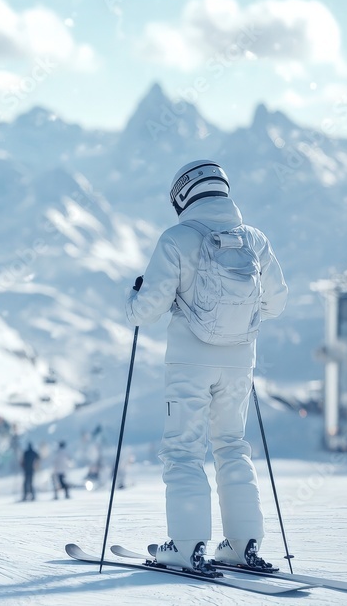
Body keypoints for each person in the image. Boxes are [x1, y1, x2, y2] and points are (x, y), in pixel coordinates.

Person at [126, 160, 288, 572]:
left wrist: (133, 299)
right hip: (240, 363)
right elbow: (277, 302)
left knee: (183, 449)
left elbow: (146, 311)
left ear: (182, 196)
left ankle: (185, 546)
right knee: (232, 446)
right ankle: (243, 544)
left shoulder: (176, 239)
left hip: (189, 363)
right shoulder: (255, 240)